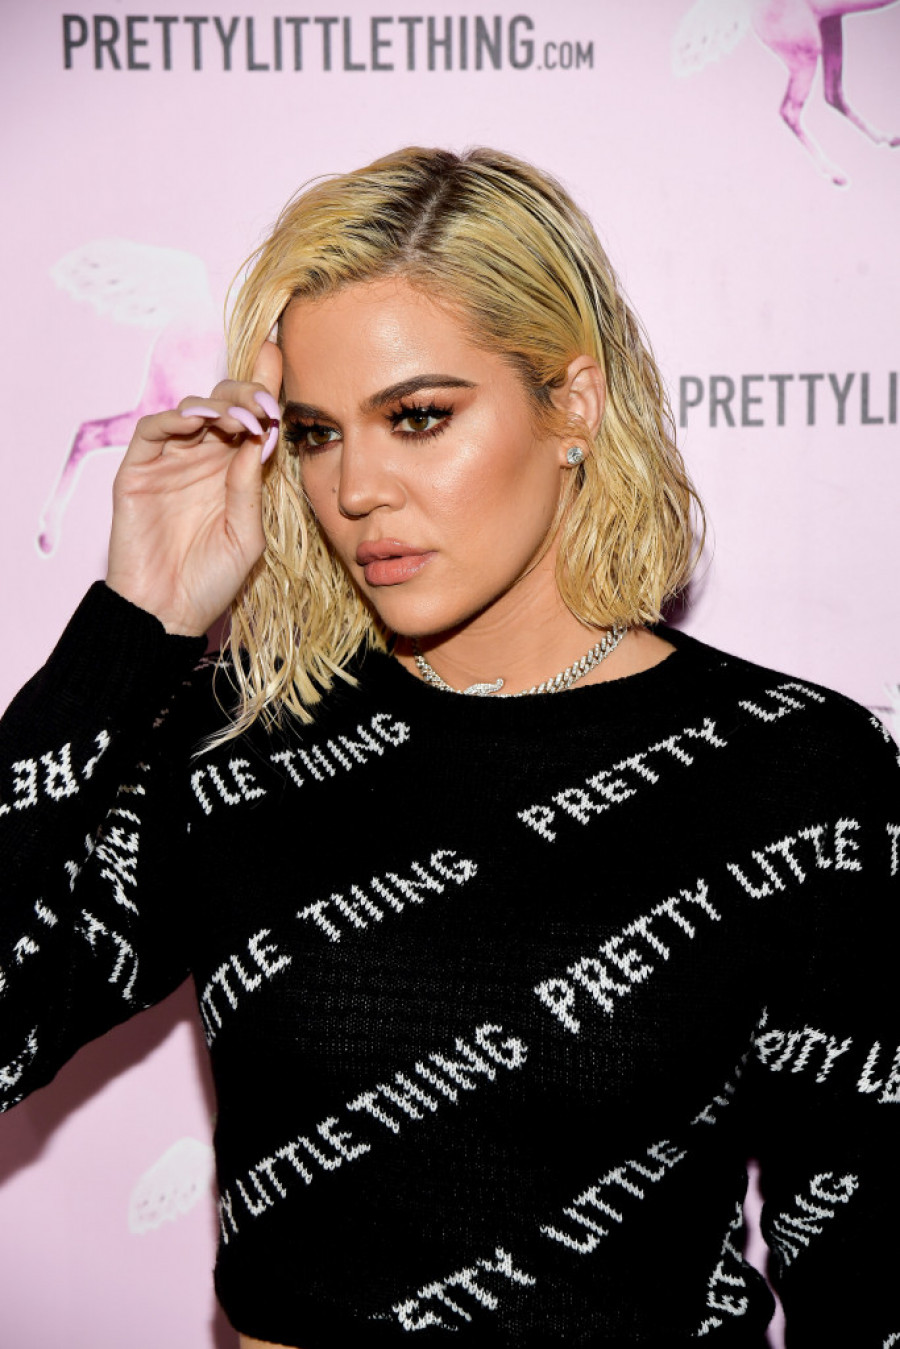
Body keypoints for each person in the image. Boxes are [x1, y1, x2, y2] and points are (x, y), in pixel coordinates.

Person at [1, 146, 897, 1349]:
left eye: (418, 417)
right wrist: (133, 627)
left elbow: (872, 1266)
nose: (356, 489)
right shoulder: (240, 741)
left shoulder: (796, 769)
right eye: (315, 434)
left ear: (572, 404)